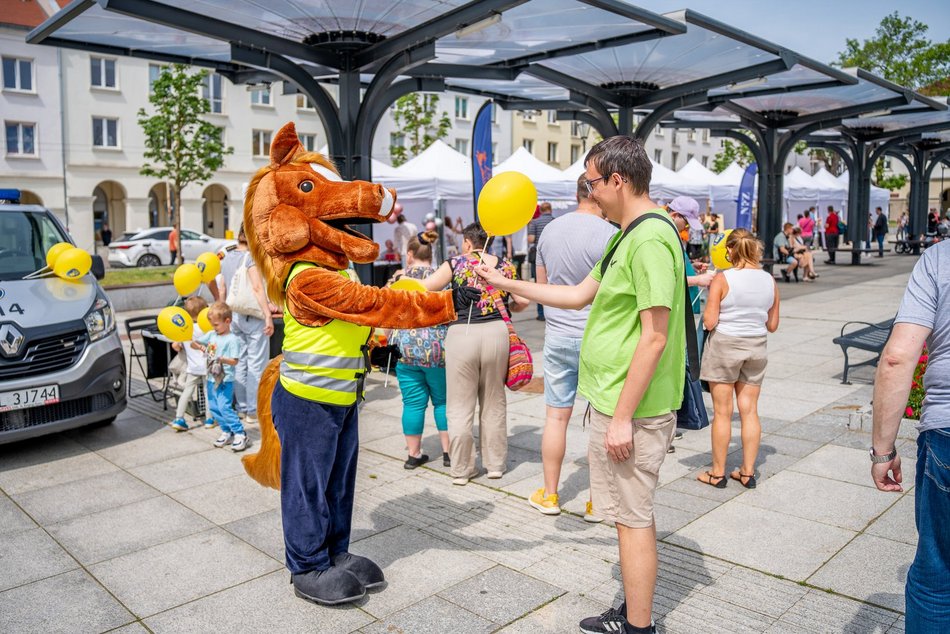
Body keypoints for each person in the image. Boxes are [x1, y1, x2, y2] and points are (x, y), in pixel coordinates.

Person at [477, 135, 685, 634]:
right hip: (612, 398)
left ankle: (639, 627)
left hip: (630, 408)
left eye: (592, 182)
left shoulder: (651, 238)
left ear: (618, 180)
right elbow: (574, 295)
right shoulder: (624, 234)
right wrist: (504, 283)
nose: (589, 192)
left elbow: (654, 338)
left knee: (633, 519)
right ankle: (633, 611)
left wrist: (619, 418)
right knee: (622, 516)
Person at [870, 240, 949, 632]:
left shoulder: (940, 258)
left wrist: (882, 452)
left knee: (937, 574)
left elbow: (897, 357)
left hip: (947, 432)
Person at [529, 175, 617, 521]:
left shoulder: (549, 230)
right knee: (600, 419)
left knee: (556, 416)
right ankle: (598, 501)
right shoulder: (612, 235)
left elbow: (541, 287)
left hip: (558, 334)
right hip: (597, 336)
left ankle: (550, 494)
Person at [422, 222, 529, 485]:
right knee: (493, 401)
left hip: (462, 334)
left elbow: (427, 288)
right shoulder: (503, 265)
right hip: (497, 333)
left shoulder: (455, 263)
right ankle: (494, 465)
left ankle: (461, 469)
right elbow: (523, 301)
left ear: (468, 242)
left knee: (459, 405)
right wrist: (509, 304)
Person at [697, 229, 780, 490]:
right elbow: (773, 324)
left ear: (730, 250)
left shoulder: (723, 279)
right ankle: (747, 472)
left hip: (725, 346)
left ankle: (718, 473)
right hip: (756, 348)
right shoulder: (769, 280)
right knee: (750, 411)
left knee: (723, 413)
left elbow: (710, 321)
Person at [390, 231, 451, 470]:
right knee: (443, 401)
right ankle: (448, 453)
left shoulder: (398, 281)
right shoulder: (441, 279)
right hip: (439, 352)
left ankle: (413, 455)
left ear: (410, 255)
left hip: (405, 351)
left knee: (412, 403)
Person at [213, 225, 275, 425]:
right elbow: (257, 288)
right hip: (253, 315)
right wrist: (267, 315)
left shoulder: (224, 256)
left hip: (235, 315)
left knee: (239, 362)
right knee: (257, 364)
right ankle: (252, 410)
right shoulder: (251, 257)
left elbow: (220, 287)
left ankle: (240, 407)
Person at [193, 302, 247, 451]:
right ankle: (226, 431)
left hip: (224, 380)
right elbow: (193, 343)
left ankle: (240, 433)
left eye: (216, 325)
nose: (214, 328)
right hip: (211, 377)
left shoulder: (232, 340)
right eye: (212, 325)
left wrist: (222, 359)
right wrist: (200, 346)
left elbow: (235, 361)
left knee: (224, 406)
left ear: (227, 321)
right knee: (215, 407)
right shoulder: (211, 335)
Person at [169, 296, 210, 432]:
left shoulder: (186, 329)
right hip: (206, 366)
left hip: (192, 368)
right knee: (207, 392)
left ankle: (179, 418)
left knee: (186, 392)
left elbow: (175, 346)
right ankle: (209, 419)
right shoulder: (206, 329)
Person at [527, 201, 555, 320]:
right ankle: (553, 310)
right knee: (554, 283)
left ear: (541, 211)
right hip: (553, 255)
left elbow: (531, 239)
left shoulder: (535, 222)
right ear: (550, 210)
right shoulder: (555, 221)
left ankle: (541, 313)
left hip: (539, 256)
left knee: (540, 284)